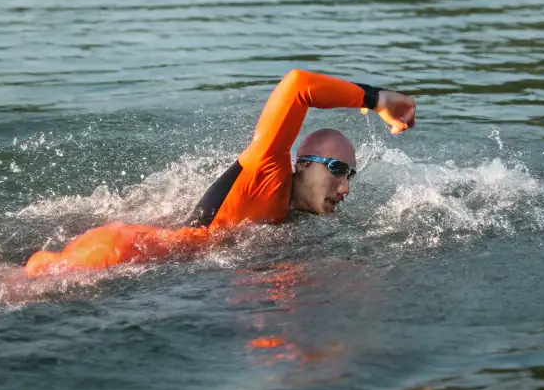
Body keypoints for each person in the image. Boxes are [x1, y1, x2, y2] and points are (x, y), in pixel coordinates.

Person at [24, 69, 417, 277]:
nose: (345, 185)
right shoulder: (267, 167)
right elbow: (297, 86)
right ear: (302, 164)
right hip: (120, 254)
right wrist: (377, 98)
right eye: (335, 169)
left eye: (351, 174)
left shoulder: (289, 210)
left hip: (136, 252)